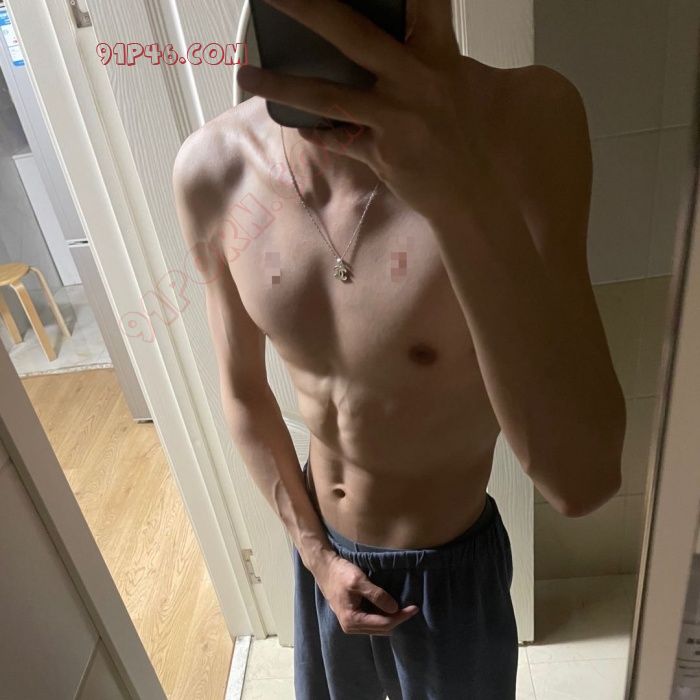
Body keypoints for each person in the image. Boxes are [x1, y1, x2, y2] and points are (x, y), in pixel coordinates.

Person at [172, 1, 627, 697]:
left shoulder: (525, 121)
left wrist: (454, 188)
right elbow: (242, 391)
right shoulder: (215, 168)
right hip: (322, 557)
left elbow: (584, 480)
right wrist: (316, 555)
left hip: (449, 572)